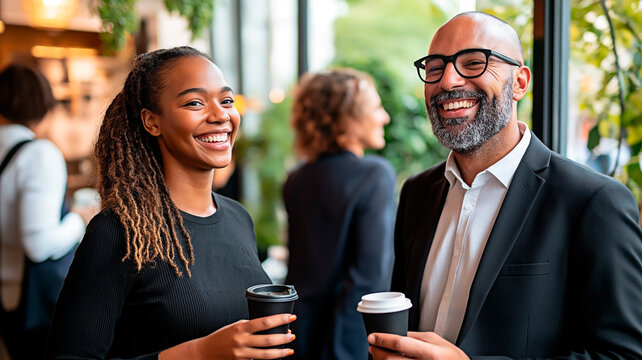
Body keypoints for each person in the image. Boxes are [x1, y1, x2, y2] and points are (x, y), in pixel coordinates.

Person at [368, 12, 642, 360]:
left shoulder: (592, 201)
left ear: (520, 82)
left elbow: (623, 355)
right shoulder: (417, 192)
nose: (448, 80)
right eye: (435, 67)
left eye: (473, 62)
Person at [46, 46, 296, 359]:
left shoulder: (237, 217)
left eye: (227, 100)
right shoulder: (120, 232)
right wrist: (200, 352)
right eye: (195, 102)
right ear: (152, 122)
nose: (220, 115)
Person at [284, 68, 396, 360]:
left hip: (294, 335)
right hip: (345, 342)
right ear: (347, 117)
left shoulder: (297, 180)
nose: (384, 116)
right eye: (375, 107)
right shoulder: (374, 174)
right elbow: (368, 280)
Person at [0, 64, 94, 359]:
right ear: (44, 105)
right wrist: (80, 218)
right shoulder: (40, 154)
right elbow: (38, 245)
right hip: (33, 303)